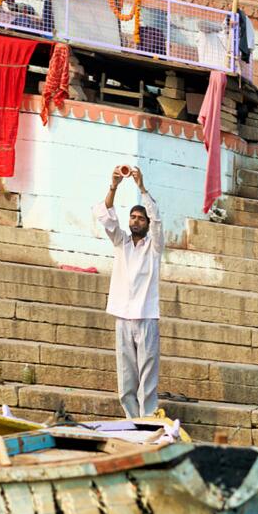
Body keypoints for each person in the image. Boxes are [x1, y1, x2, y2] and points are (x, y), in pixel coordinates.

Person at [93, 166, 164, 419]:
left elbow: (157, 220)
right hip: (123, 317)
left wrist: (142, 188)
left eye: (140, 218)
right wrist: (114, 185)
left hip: (146, 317)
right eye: (132, 217)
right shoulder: (121, 242)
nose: (135, 220)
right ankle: (132, 421)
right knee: (126, 376)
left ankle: (148, 420)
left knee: (147, 375)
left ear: (145, 224)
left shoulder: (154, 247)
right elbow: (107, 217)